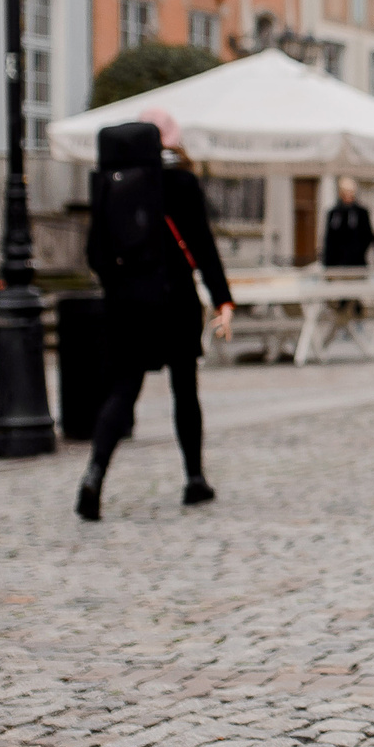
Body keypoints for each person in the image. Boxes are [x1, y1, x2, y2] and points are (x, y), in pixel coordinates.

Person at [79, 110, 234, 522]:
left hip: (126, 304)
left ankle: (94, 477)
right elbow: (201, 244)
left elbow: (95, 254)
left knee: (123, 390)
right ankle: (195, 479)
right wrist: (223, 299)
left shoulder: (109, 185)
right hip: (175, 300)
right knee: (185, 388)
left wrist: (121, 284)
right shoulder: (182, 182)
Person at [322, 177, 374, 268]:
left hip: (357, 261)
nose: (347, 195)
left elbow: (367, 235)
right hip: (336, 262)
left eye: (350, 191)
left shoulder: (361, 212)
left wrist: (358, 251)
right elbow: (329, 237)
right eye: (345, 191)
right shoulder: (334, 212)